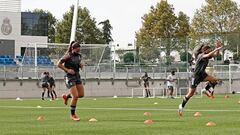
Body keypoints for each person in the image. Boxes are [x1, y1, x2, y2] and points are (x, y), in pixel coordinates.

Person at [178, 41, 222, 116]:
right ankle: (181, 106)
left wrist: (217, 49)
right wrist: (215, 49)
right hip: (196, 76)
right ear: (205, 50)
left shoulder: (207, 55)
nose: (210, 51)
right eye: (209, 50)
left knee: (215, 80)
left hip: (203, 74)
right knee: (191, 93)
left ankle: (205, 90)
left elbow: (216, 55)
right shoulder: (200, 55)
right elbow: (208, 54)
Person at [57, 41, 84, 121]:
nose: (79, 50)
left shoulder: (79, 56)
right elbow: (58, 64)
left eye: (79, 49)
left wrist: (80, 65)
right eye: (77, 49)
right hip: (69, 77)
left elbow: (78, 62)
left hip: (77, 76)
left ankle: (67, 96)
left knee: (81, 94)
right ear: (73, 48)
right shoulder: (68, 55)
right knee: (75, 96)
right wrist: (67, 70)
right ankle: (73, 115)